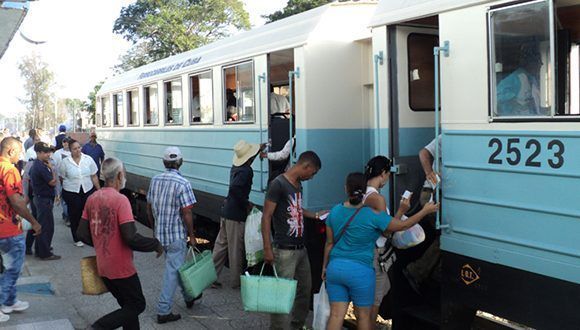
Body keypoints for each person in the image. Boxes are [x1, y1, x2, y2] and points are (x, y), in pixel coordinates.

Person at [322, 173, 438, 330]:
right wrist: (424, 211)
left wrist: (325, 267)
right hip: (360, 271)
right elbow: (402, 226)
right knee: (363, 317)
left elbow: (329, 244)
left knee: (336, 316)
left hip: (335, 268)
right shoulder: (372, 216)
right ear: (364, 191)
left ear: (346, 189)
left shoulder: (335, 211)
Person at [77, 157, 163, 330]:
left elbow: (81, 233)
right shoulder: (121, 200)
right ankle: (98, 327)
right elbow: (131, 237)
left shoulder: (92, 198)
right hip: (121, 267)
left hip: (103, 266)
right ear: (119, 175)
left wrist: (102, 243)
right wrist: (155, 244)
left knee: (128, 307)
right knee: (138, 305)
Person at [262, 151, 323, 330]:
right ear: (306, 166)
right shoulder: (278, 184)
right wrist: (267, 248)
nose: (312, 177)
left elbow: (295, 208)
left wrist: (315, 215)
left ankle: (296, 325)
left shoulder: (297, 185)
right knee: (282, 295)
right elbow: (266, 217)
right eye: (313, 173)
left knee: (305, 290)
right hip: (285, 250)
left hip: (301, 248)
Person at [146, 146, 198, 324]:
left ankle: (189, 296)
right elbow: (187, 212)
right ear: (180, 162)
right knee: (172, 272)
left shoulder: (155, 180)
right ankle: (163, 310)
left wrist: (154, 230)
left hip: (161, 235)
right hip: (176, 235)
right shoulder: (183, 183)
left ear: (163, 162)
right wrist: (191, 235)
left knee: (177, 267)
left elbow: (149, 207)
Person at [363, 156, 411, 325]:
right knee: (374, 303)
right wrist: (402, 210)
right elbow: (387, 229)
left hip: (365, 251)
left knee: (378, 292)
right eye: (388, 174)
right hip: (376, 254)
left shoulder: (361, 192)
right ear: (383, 173)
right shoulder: (377, 199)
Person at [0, 137, 41, 323]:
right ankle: (3, 302)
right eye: (18, 152)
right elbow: (16, 201)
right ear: (10, 151)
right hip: (7, 228)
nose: (20, 156)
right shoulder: (9, 170)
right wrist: (33, 221)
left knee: (7, 268)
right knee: (13, 269)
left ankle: (10, 301)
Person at [213, 140, 261, 289]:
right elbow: (236, 189)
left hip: (226, 211)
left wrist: (261, 147)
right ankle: (236, 282)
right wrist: (247, 203)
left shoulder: (236, 167)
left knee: (220, 246)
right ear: (249, 158)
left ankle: (209, 276)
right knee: (235, 249)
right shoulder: (247, 171)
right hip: (235, 214)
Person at [403, 135, 443, 292]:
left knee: (444, 236)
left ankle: (433, 274)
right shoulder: (444, 136)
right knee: (447, 236)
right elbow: (423, 153)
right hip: (432, 193)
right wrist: (429, 173)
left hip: (433, 193)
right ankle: (418, 271)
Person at [59, 139, 100, 247]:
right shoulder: (65, 162)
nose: (78, 150)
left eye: (79, 148)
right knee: (75, 214)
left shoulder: (88, 159)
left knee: (89, 213)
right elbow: (62, 177)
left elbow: (94, 176)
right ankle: (77, 237)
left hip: (87, 189)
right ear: (70, 150)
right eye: (75, 149)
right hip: (72, 191)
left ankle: (89, 235)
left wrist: (99, 190)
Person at [29, 142, 60, 260]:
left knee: (43, 224)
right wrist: (51, 169)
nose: (48, 154)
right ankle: (45, 253)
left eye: (49, 152)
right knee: (46, 226)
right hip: (43, 199)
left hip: (41, 198)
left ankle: (40, 249)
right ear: (38, 153)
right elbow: (52, 181)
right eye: (45, 152)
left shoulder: (39, 164)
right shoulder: (40, 166)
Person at [496, 44, 546, 116]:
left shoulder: (533, 80)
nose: (540, 65)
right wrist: (515, 102)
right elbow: (496, 95)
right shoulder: (516, 78)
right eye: (538, 61)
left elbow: (534, 108)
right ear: (530, 62)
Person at [53, 137, 71, 226]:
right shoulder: (57, 153)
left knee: (68, 198)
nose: (66, 144)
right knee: (62, 197)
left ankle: (67, 214)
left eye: (67, 142)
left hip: (70, 178)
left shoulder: (73, 152)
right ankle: (67, 215)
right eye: (64, 142)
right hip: (60, 178)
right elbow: (54, 165)